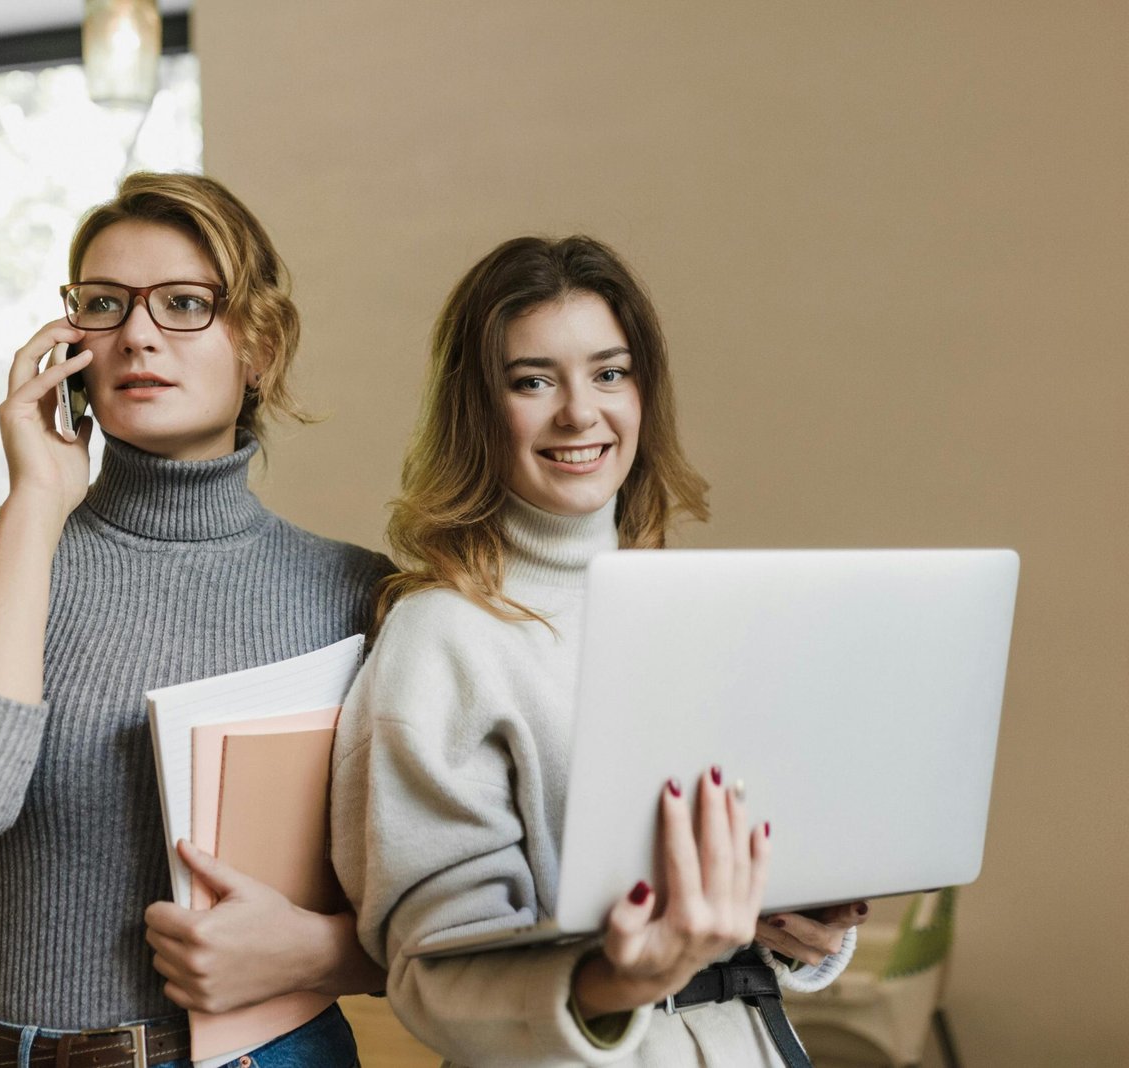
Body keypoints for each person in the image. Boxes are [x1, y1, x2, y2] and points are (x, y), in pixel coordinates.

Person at [0, 172, 389, 1068]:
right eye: (104, 305)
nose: (138, 332)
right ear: (70, 343)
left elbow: (444, 917)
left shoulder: (353, 594)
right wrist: (39, 499)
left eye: (184, 302)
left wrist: (324, 952)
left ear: (258, 346)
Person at [330, 235, 864, 1067]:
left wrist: (795, 925)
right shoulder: (442, 639)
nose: (581, 412)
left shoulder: (690, 610)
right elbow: (434, 977)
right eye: (534, 380)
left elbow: (727, 904)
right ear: (478, 408)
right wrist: (615, 977)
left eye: (609, 373)